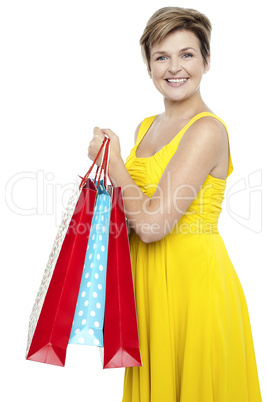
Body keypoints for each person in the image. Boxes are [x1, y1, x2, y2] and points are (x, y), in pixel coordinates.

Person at [88, 6, 262, 402]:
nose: (174, 67)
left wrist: (113, 162)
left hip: (193, 290)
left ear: (207, 60)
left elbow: (152, 226)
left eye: (187, 54)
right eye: (161, 56)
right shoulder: (146, 127)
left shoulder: (207, 130)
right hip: (148, 289)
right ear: (148, 65)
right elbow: (132, 211)